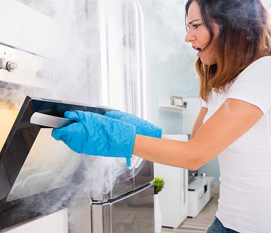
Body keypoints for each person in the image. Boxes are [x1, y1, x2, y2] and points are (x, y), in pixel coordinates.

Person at [52, 0, 271, 232]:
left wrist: (117, 138)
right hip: (224, 222)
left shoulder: (263, 72)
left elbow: (194, 156)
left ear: (230, 25)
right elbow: (195, 145)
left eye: (196, 25)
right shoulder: (218, 82)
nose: (188, 37)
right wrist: (143, 132)